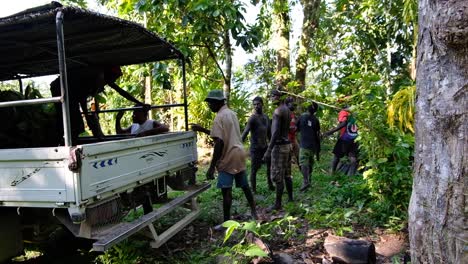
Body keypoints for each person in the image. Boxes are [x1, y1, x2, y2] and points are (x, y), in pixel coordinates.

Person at [191, 90, 257, 227]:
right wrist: (202, 129)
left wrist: (211, 167)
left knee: (226, 191)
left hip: (228, 157)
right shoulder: (231, 114)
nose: (209, 106)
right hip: (239, 153)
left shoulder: (219, 117)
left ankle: (227, 223)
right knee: (245, 186)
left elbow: (219, 142)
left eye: (211, 103)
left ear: (218, 102)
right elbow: (223, 135)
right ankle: (254, 212)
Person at [50, 66, 145, 144]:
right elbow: (82, 98)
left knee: (74, 122)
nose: (115, 80)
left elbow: (122, 92)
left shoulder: (104, 78)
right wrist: (87, 116)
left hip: (69, 92)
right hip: (61, 89)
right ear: (110, 74)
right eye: (115, 77)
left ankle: (64, 141)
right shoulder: (98, 77)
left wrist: (140, 103)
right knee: (74, 122)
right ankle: (64, 143)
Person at [263, 89, 293, 211]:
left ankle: (277, 204)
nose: (271, 98)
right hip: (287, 145)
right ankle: (290, 198)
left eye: (273, 95)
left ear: (280, 97)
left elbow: (275, 133)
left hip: (279, 147)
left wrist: (269, 150)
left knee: (277, 176)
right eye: (270, 95)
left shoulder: (278, 111)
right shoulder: (287, 110)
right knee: (287, 173)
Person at [241, 96, 274, 193]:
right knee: (254, 170)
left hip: (265, 147)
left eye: (258, 104)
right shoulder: (252, 119)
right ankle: (254, 190)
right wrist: (238, 144)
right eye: (254, 104)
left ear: (262, 104)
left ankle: (270, 184)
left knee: (269, 167)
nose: (256, 106)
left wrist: (271, 147)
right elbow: (245, 132)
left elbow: (270, 134)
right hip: (255, 148)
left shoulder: (266, 118)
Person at [323, 103, 358, 176]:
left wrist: (330, 132)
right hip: (355, 138)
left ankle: (331, 173)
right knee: (352, 156)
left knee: (336, 155)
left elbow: (343, 123)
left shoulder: (343, 112)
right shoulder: (354, 113)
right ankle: (351, 175)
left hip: (345, 138)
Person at [296, 102, 321, 191]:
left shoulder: (302, 117)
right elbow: (318, 135)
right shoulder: (315, 120)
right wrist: (318, 150)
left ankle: (306, 181)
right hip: (312, 145)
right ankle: (308, 181)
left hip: (304, 144)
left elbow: (296, 128)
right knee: (309, 163)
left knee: (303, 163)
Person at [286, 97, 300, 168]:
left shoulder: (293, 114)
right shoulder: (285, 114)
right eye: (292, 104)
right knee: (288, 160)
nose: (294, 105)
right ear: (287, 104)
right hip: (287, 139)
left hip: (293, 138)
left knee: (299, 157)